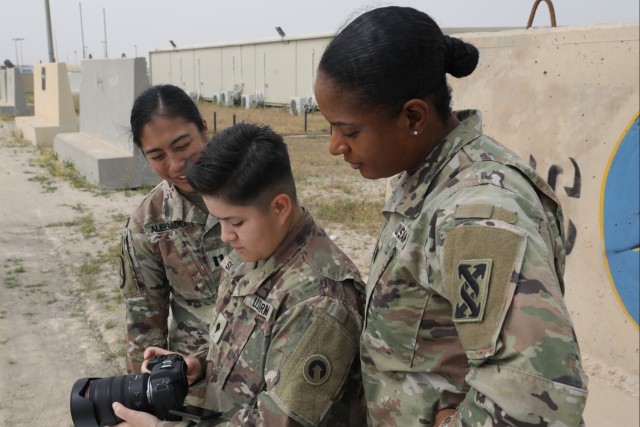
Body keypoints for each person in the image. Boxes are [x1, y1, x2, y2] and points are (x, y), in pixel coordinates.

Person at [313, 6, 588, 427]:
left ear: (413, 116)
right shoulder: (428, 175)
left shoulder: (475, 212)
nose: (335, 146)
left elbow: (535, 394)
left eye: (349, 131)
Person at [113, 123, 366, 426]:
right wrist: (201, 366)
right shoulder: (258, 247)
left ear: (280, 207)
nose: (225, 236)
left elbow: (278, 421)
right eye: (219, 221)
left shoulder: (319, 301)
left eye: (234, 221)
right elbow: (246, 344)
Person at [121, 84, 230, 403]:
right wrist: (145, 401)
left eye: (182, 145)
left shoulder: (251, 188)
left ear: (204, 130)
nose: (175, 164)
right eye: (157, 156)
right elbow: (143, 329)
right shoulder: (147, 224)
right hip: (197, 380)